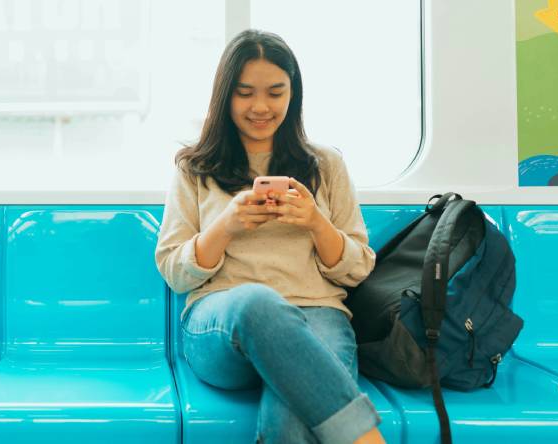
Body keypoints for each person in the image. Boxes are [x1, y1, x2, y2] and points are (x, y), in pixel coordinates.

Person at [154, 29, 385, 444]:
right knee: (259, 301)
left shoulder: (327, 165)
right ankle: (364, 438)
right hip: (221, 329)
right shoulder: (194, 168)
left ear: (292, 95)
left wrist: (316, 222)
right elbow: (175, 272)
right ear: (225, 96)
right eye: (245, 93)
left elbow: (358, 269)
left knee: (294, 408)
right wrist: (226, 226)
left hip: (317, 316)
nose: (260, 107)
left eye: (275, 92)